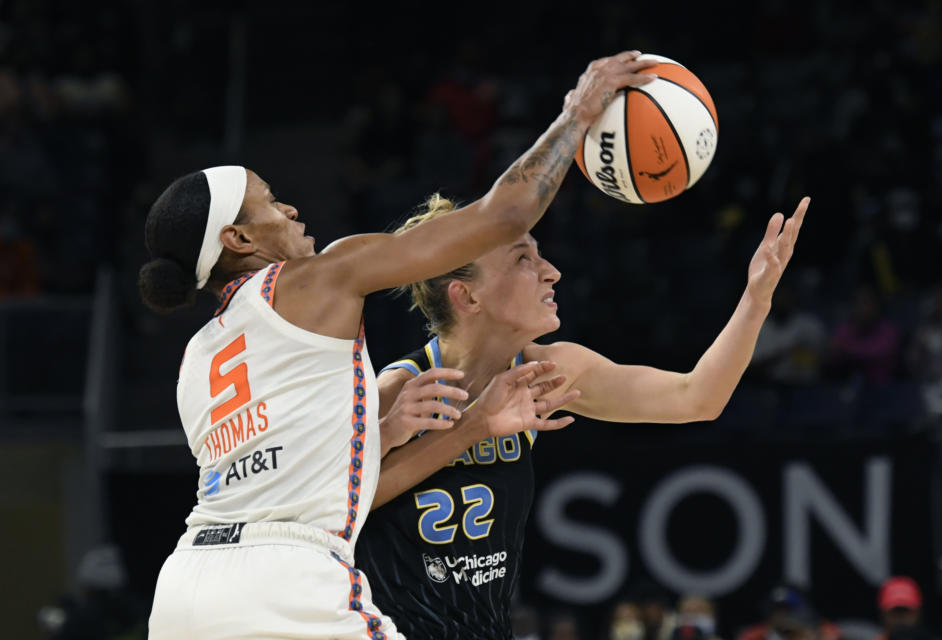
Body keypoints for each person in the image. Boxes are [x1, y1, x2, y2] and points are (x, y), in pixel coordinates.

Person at [140, 51, 657, 640]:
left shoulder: (198, 357)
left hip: (185, 588)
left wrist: (385, 435)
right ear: (238, 237)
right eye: (269, 201)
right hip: (287, 578)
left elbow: (291, 477)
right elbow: (505, 215)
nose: (290, 207)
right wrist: (576, 113)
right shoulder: (318, 277)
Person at [354, 177, 808, 639]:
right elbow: (338, 508)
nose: (551, 271)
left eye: (539, 253)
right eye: (522, 259)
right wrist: (471, 427)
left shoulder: (547, 370)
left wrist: (755, 300)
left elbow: (697, 398)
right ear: (467, 295)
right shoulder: (397, 391)